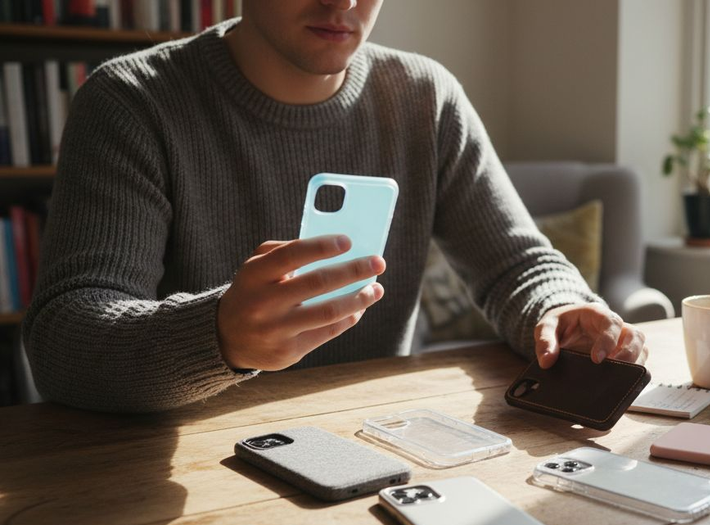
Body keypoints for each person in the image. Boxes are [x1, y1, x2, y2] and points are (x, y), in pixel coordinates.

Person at [22, 0, 648, 413]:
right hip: (185, 460)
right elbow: (63, 340)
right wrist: (218, 337)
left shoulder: (424, 97)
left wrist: (560, 307)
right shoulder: (132, 102)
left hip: (376, 444)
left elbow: (516, 265)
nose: (343, 1)